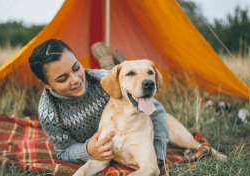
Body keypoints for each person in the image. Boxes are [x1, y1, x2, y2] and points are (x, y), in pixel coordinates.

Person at [29, 39, 169, 165]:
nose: (76, 79)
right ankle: (109, 59)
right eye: (62, 79)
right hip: (103, 148)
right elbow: (64, 151)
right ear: (46, 84)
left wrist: (159, 149)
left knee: (112, 73)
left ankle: (110, 61)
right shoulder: (49, 113)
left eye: (76, 68)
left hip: (125, 135)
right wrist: (87, 150)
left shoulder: (103, 80)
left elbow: (154, 109)